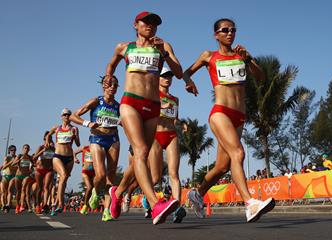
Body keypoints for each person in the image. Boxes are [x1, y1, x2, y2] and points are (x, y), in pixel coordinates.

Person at [183, 18, 275, 222]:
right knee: (238, 152)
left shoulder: (241, 55)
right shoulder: (209, 56)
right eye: (225, 30)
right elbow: (186, 72)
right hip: (220, 112)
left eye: (233, 30)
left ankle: (197, 193)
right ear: (216, 34)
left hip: (239, 116)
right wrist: (189, 83)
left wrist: (249, 59)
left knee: (222, 167)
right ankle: (250, 203)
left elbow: (261, 79)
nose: (230, 33)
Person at [105, 11, 186, 225]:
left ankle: (118, 192)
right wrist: (109, 77)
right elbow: (111, 64)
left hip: (153, 106)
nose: (151, 25)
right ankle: (155, 203)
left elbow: (178, 72)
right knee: (140, 151)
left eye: (154, 23)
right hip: (130, 102)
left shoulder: (163, 46)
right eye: (146, 22)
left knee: (143, 155)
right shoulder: (124, 47)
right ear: (135, 25)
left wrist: (164, 54)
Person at [70, 76, 120, 221]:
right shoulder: (96, 101)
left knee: (111, 177)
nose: (112, 87)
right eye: (109, 84)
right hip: (97, 139)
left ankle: (106, 211)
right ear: (103, 86)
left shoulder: (118, 105)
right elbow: (74, 116)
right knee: (101, 174)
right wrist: (87, 123)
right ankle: (95, 192)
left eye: (115, 85)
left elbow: (125, 122)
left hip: (113, 139)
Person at [147, 67, 186, 223]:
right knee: (155, 177)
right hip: (156, 135)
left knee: (174, 174)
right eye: (164, 76)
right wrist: (159, 107)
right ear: (158, 78)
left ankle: (177, 209)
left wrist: (182, 124)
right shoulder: (152, 94)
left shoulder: (175, 99)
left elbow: (175, 118)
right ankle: (147, 199)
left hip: (171, 135)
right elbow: (146, 111)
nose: (167, 79)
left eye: (169, 76)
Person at [46, 108, 80, 214]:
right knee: (64, 176)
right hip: (58, 156)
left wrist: (75, 137)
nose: (66, 116)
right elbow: (48, 134)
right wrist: (47, 141)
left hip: (69, 158)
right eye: (64, 115)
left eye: (68, 115)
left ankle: (55, 204)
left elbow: (78, 144)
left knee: (63, 181)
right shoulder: (57, 128)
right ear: (61, 116)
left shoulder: (74, 128)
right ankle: (61, 203)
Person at [33, 131, 55, 214]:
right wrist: (42, 151)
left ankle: (45, 205)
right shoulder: (40, 147)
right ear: (44, 139)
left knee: (46, 187)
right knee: (39, 188)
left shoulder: (53, 148)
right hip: (39, 170)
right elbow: (34, 158)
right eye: (47, 138)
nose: (49, 140)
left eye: (50, 138)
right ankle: (38, 205)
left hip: (49, 170)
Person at [74, 145, 95, 215]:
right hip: (85, 172)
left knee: (94, 189)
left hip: (94, 172)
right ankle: (85, 205)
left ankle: (89, 204)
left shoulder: (97, 148)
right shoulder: (84, 148)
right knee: (89, 187)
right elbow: (74, 153)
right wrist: (75, 158)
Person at [12, 144, 33, 213]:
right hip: (18, 175)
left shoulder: (30, 157)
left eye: (27, 149)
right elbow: (13, 164)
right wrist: (19, 160)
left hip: (26, 175)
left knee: (24, 189)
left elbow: (33, 164)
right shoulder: (19, 156)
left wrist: (32, 167)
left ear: (29, 150)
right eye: (25, 148)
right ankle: (18, 205)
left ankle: (22, 205)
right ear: (22, 149)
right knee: (18, 191)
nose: (26, 150)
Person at [1, 145, 17, 213]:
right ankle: (4, 205)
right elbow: (4, 167)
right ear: (9, 151)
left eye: (14, 150)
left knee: (10, 191)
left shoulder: (17, 157)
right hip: (6, 176)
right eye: (12, 150)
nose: (13, 151)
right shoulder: (7, 157)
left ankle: (7, 205)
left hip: (12, 176)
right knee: (4, 193)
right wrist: (11, 162)